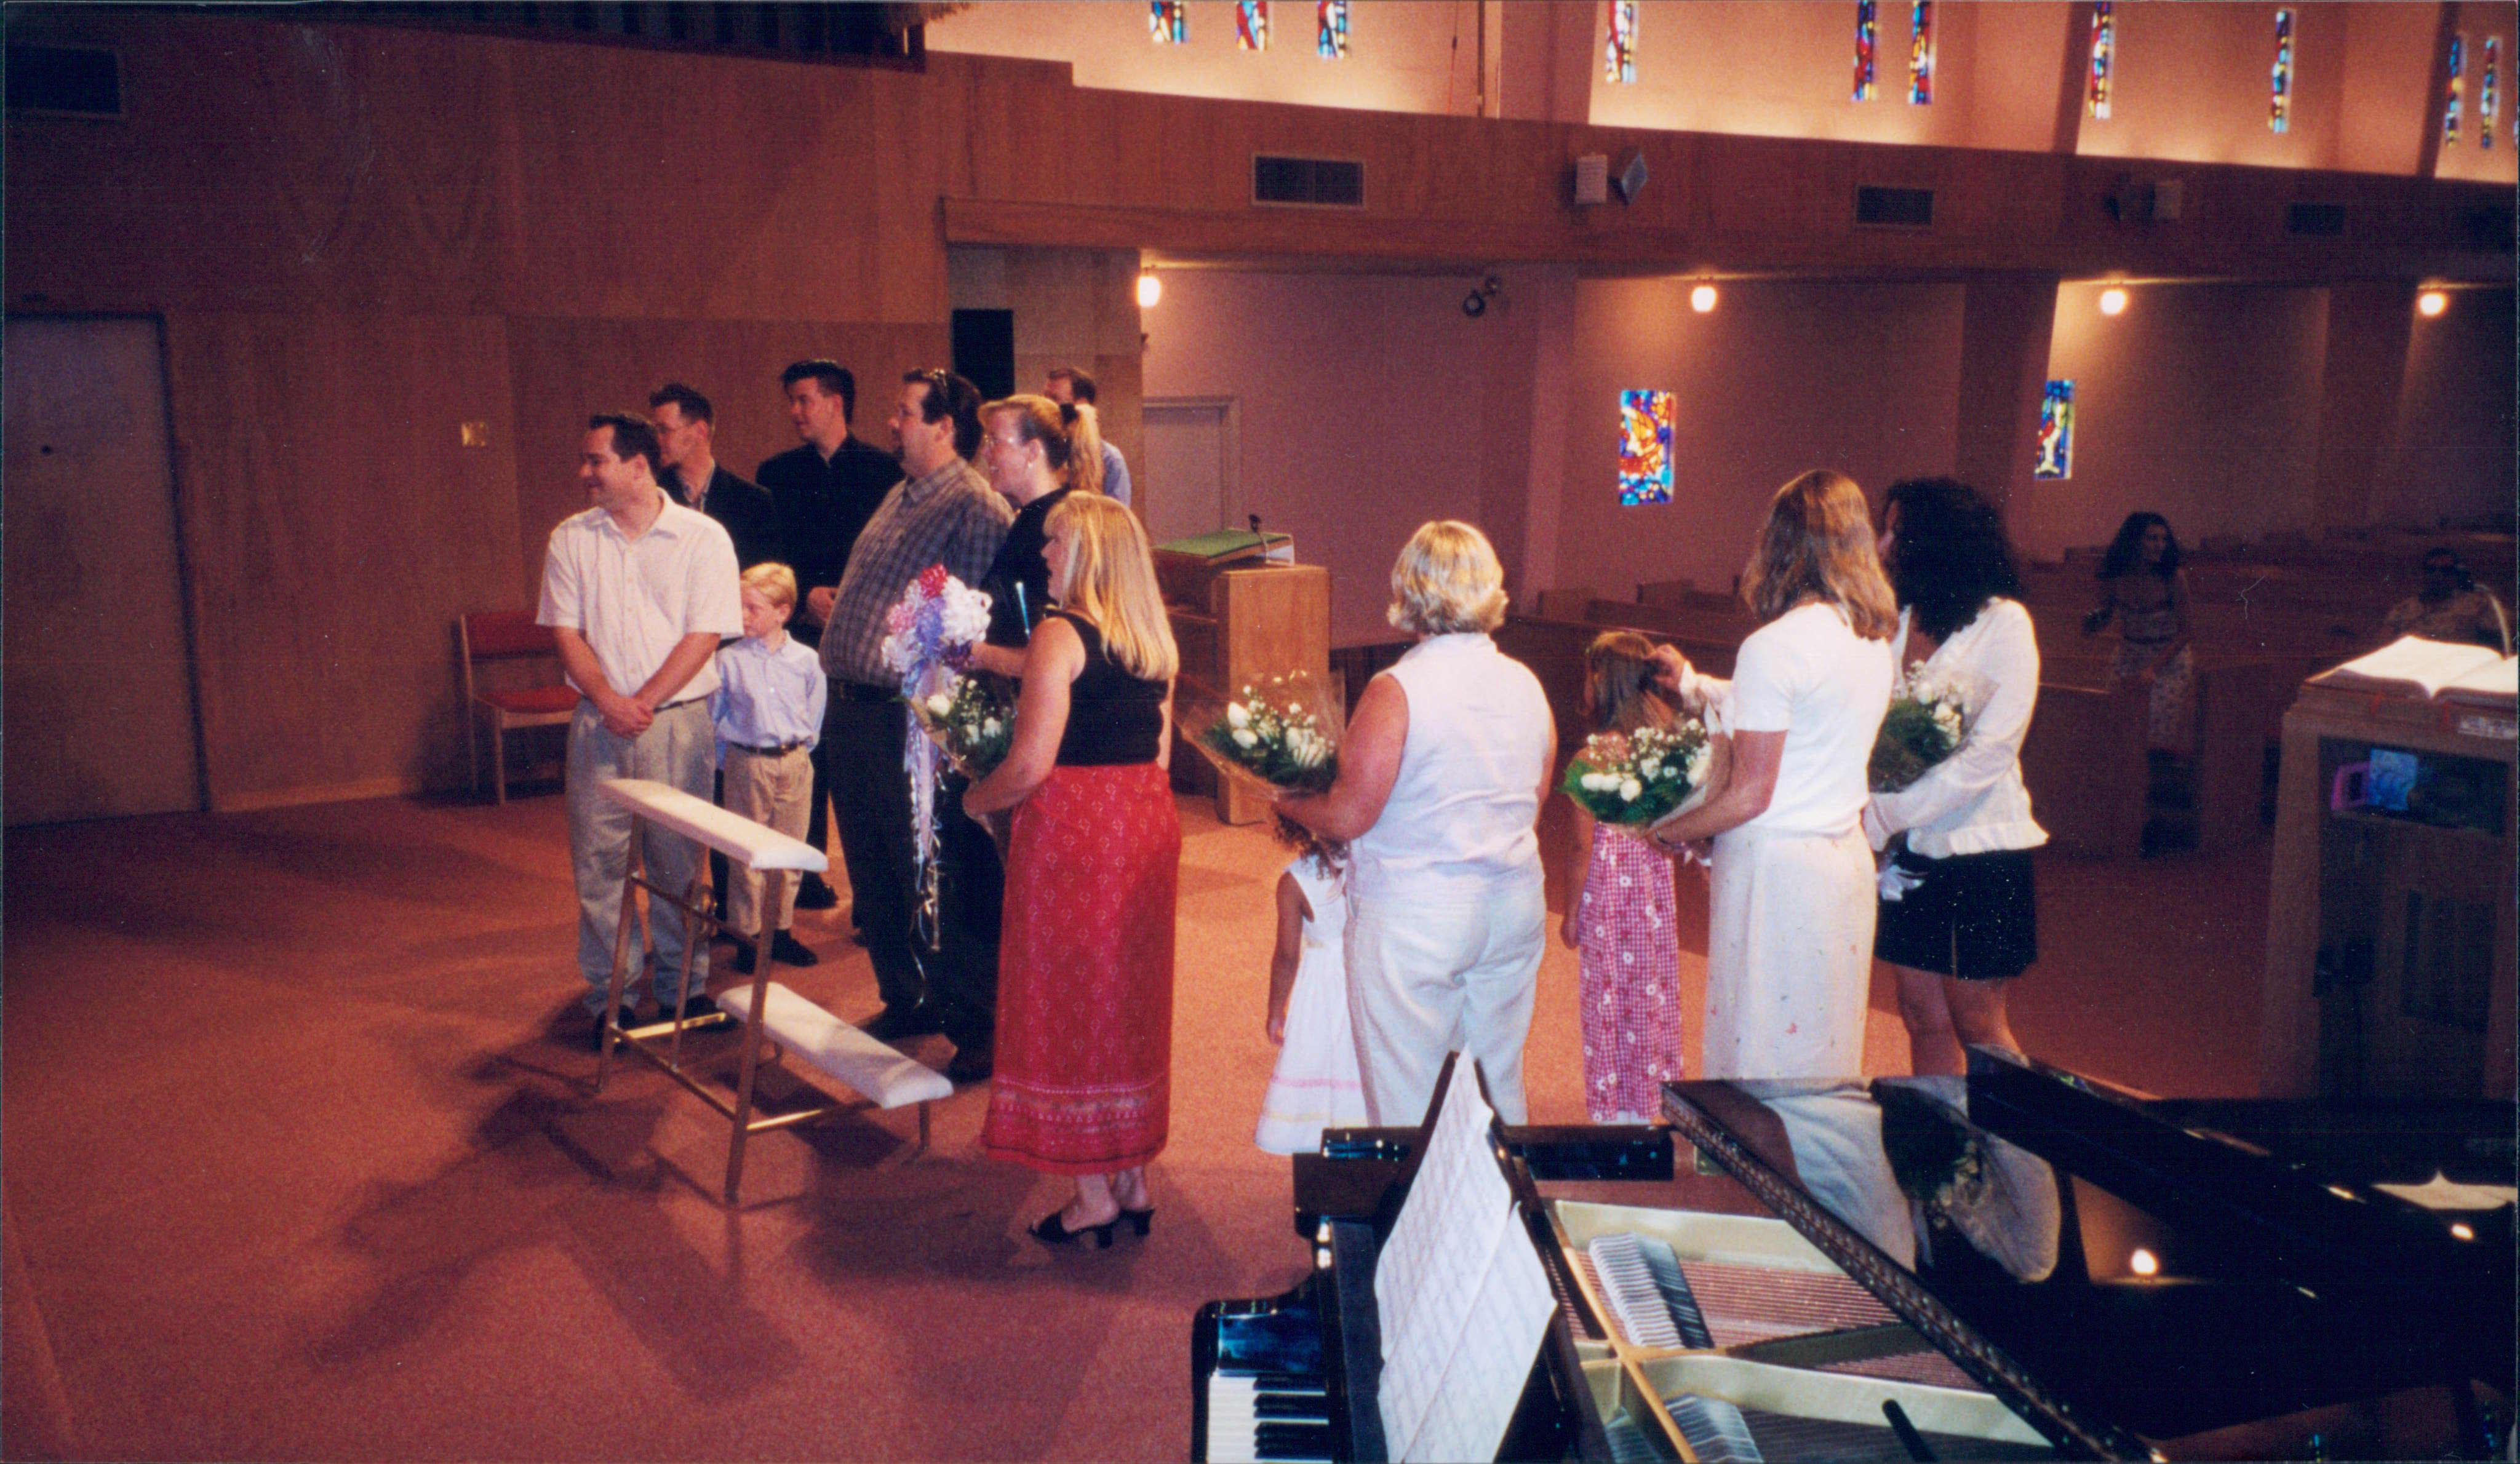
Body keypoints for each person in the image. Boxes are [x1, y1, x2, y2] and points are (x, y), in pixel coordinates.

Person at [1277, 521, 1555, 1127]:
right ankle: (1500, 1186)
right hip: (1511, 903)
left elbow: (1349, 814)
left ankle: (1425, 1193)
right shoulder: (1525, 684)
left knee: (1409, 1098)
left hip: (1418, 915)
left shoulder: (1398, 688)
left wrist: (1286, 800)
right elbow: (1533, 799)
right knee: (1496, 1081)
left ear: (1410, 588)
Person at [963, 493, 1181, 1245]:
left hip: (1076, 830)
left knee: (1065, 996)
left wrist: (974, 798)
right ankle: (1132, 1175)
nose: (1045, 554)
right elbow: (1159, 757)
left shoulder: (1061, 634)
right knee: (1128, 995)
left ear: (1087, 553)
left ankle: (1092, 1193)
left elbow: (1029, 765)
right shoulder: (1152, 637)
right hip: (1144, 823)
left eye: (1056, 542)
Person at [1648, 471, 1896, 1080]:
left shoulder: (1774, 646)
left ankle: (1757, 1140)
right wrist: (1693, 684)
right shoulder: (1871, 640)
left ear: (1780, 545)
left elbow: (1751, 794)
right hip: (1842, 859)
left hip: (1777, 870)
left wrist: (1669, 830)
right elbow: (1794, 716)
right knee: (1823, 1037)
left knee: (1760, 1037)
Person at [817, 369, 1011, 1081]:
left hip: (906, 717)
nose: (892, 423)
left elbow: (964, 629)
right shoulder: (901, 492)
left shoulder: (974, 507)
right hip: (853, 709)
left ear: (944, 426)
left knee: (926, 869)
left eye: (905, 412)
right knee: (873, 868)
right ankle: (908, 997)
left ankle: (973, 1021)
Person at [536, 413, 742, 1048]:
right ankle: (613, 999)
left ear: (637, 465)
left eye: (595, 460)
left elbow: (704, 634)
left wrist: (644, 703)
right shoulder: (571, 538)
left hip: (675, 724)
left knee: (678, 864)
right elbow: (565, 632)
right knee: (599, 866)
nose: (584, 473)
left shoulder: (703, 537)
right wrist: (609, 701)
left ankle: (684, 989)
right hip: (598, 723)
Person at [1865, 479, 2046, 1076]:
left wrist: (1885, 814)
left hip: (1978, 846)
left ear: (1940, 542)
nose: (1883, 544)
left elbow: (1988, 756)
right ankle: (1936, 1135)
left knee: (1978, 1023)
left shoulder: (2003, 623)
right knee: (1921, 1015)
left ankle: (2021, 1134)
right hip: (1909, 848)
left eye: (1896, 531)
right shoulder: (1897, 620)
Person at [757, 360, 901, 913]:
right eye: (791, 401)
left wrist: (851, 600)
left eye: (804, 400)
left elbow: (893, 558)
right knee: (803, 762)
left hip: (867, 641)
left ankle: (873, 899)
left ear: (836, 402)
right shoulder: (777, 473)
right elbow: (771, 553)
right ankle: (805, 879)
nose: (795, 412)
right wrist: (806, 597)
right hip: (800, 633)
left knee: (864, 771)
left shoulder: (883, 471)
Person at [1558, 631, 1687, 1124]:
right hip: (1652, 892)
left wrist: (1572, 912)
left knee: (1609, 993)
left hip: (1608, 894)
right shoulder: (1660, 749)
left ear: (1603, 681)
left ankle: (1614, 1106)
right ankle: (1650, 1092)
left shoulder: (1592, 759)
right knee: (1650, 987)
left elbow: (1580, 848)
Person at [710, 562, 827, 976]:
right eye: (739, 606)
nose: (742, 616)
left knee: (789, 849)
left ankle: (780, 931)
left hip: (794, 761)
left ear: (783, 612)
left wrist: (798, 751)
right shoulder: (728, 660)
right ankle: (749, 936)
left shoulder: (807, 660)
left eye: (752, 608)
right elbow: (715, 717)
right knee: (747, 855)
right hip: (747, 761)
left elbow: (814, 714)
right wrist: (734, 761)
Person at [969, 394, 1104, 677]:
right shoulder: (1031, 518)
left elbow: (1056, 656)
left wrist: (978, 655)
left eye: (995, 441)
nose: (986, 453)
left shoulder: (1057, 529)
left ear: (1032, 451)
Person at [1253, 827, 1368, 1155]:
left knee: (1322, 1054)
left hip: (1322, 989)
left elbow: (1286, 956)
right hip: (1368, 975)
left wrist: (1276, 1009)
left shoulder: (1293, 882)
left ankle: (1315, 1131)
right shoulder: (1374, 866)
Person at [2081, 512, 2195, 754]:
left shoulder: (2173, 578)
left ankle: (2152, 772)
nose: (2160, 545)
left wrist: (2153, 669)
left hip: (2167, 660)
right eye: (2152, 538)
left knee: (2154, 726)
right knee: (2116, 720)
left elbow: (2186, 632)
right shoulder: (2116, 576)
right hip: (2130, 654)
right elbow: (2105, 611)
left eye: (2163, 539)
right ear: (2134, 541)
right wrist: (2093, 622)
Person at [650, 383, 778, 569]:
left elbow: (766, 578)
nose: (656, 440)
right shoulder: (653, 497)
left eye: (664, 430)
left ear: (700, 431)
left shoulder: (754, 501)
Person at [2384, 548, 2511, 652]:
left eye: (2445, 571)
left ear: (2456, 575)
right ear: (2424, 574)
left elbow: (2498, 645)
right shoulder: (2404, 609)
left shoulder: (2477, 605)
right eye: (2432, 570)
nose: (2438, 576)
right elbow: (2384, 645)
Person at [1044, 366, 1131, 508]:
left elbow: (1116, 517)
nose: (1045, 406)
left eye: (1054, 399)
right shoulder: (1041, 452)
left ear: (1081, 404)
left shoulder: (1110, 459)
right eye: (1044, 397)